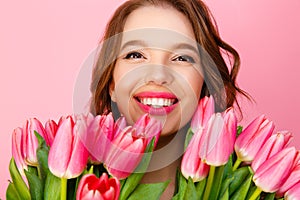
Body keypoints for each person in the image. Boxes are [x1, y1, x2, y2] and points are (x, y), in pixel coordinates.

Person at [89, 0, 249, 199]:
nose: (158, 75)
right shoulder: (71, 185)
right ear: (111, 84)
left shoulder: (246, 190)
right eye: (135, 54)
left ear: (204, 83)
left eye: (182, 57)